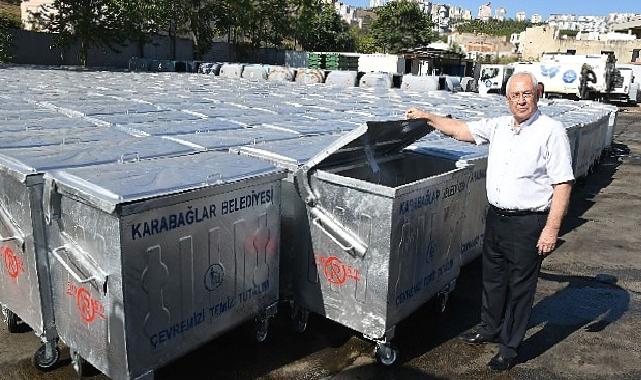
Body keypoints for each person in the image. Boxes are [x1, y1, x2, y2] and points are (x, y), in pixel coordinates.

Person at [406, 72, 574, 371]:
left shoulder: (551, 130)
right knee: (493, 278)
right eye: (514, 95)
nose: (521, 100)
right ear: (507, 98)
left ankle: (510, 347)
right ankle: (489, 327)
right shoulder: (499, 126)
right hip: (497, 217)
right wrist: (427, 116)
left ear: (537, 93)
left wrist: (551, 228)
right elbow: (460, 129)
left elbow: (563, 183)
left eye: (526, 94)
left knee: (521, 286)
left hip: (529, 222)